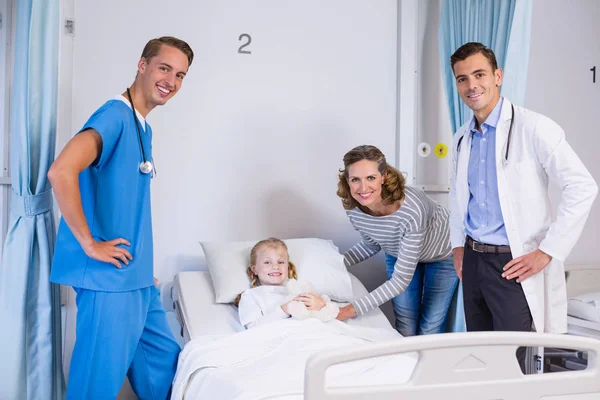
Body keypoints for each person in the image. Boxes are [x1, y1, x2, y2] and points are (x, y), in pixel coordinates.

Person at [48, 36, 194, 399]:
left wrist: (142, 269)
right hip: (108, 281)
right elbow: (61, 171)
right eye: (164, 68)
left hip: (135, 279)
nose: (171, 82)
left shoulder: (142, 125)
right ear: (142, 65)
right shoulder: (114, 115)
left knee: (166, 370)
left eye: (180, 75)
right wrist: (89, 244)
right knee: (94, 386)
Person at [448, 42, 597, 369]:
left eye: (479, 74)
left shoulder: (535, 128)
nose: (471, 85)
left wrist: (548, 250)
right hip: (473, 261)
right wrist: (458, 248)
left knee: (515, 361)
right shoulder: (463, 137)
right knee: (480, 355)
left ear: (497, 76)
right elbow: (459, 198)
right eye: (462, 79)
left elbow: (583, 186)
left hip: (513, 264)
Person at [335, 145, 459, 337]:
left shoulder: (411, 209)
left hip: (442, 255)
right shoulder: (354, 209)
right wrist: (333, 263)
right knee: (405, 323)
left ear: (383, 176)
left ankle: (428, 366)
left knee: (430, 326)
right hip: (399, 255)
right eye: (355, 180)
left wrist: (348, 311)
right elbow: (371, 243)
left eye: (370, 178)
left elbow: (400, 280)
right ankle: (407, 365)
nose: (363, 188)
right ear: (347, 180)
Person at [235, 238, 338, 329]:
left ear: (287, 267)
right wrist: (284, 310)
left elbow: (326, 316)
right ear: (254, 269)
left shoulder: (299, 289)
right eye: (267, 262)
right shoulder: (251, 296)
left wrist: (322, 305)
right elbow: (254, 328)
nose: (275, 266)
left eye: (280, 262)